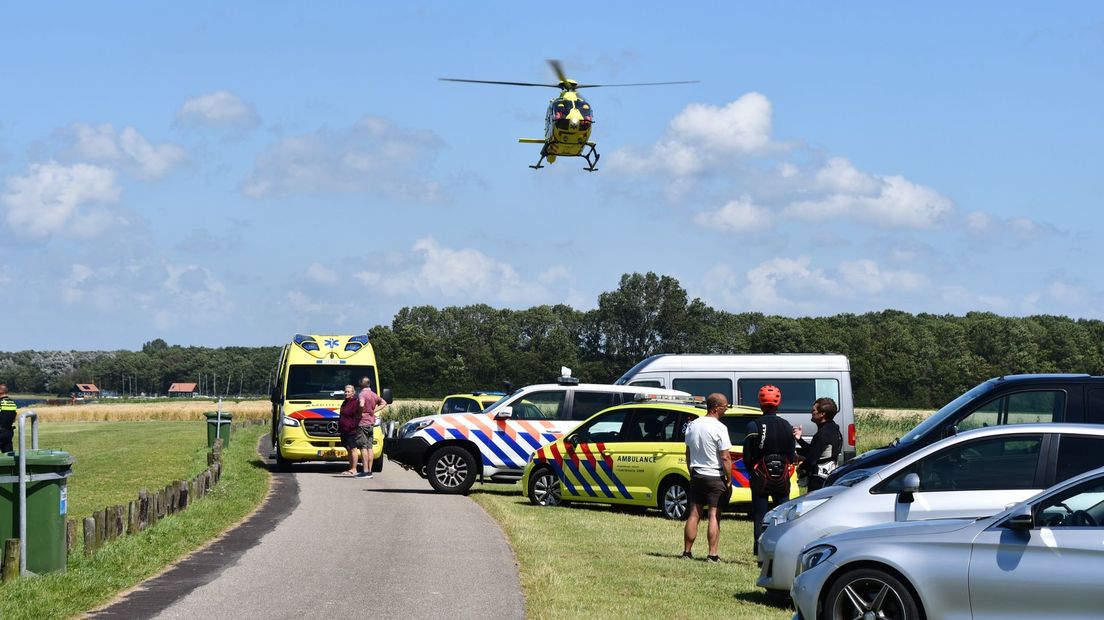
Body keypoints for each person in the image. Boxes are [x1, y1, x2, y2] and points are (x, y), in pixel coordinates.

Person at [744, 384, 796, 555]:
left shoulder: (754, 425)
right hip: (781, 476)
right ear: (778, 403)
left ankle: (759, 551)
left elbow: (748, 454)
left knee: (760, 514)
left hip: (760, 476)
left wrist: (752, 470)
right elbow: (791, 454)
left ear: (760, 403)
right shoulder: (787, 425)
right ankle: (782, 549)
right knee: (782, 515)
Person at [682, 393, 733, 563]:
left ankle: (687, 552)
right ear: (716, 408)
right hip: (715, 475)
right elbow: (725, 457)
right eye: (725, 406)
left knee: (694, 514)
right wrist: (729, 477)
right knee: (713, 515)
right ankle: (712, 554)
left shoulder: (692, 425)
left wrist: (691, 470)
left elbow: (688, 451)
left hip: (697, 473)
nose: (726, 409)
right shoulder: (720, 427)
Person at [793, 397, 843, 492]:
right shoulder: (834, 429)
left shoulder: (823, 434)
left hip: (819, 480)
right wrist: (799, 439)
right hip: (829, 477)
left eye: (814, 410)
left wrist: (800, 468)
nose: (811, 412)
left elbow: (811, 460)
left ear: (822, 414)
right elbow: (814, 451)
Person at [356, 377, 389, 478]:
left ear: (361, 384)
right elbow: (384, 403)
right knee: (370, 447)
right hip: (371, 423)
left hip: (362, 423)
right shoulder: (374, 394)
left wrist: (360, 413)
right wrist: (373, 411)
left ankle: (365, 471)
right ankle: (370, 470)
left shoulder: (362, 394)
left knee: (363, 447)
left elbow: (361, 404)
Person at [338, 385, 364, 476]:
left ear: (353, 393)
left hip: (351, 430)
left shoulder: (355, 403)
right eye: (345, 391)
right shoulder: (345, 402)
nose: (346, 393)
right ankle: (351, 468)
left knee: (353, 449)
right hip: (343, 429)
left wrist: (352, 426)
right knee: (348, 449)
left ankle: (354, 469)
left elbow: (358, 416)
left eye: (348, 392)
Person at [0, 384, 16, 453]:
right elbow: (14, 418)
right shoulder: (12, 403)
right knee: (8, 457)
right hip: (9, 433)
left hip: (0, 432)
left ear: (0, 391)